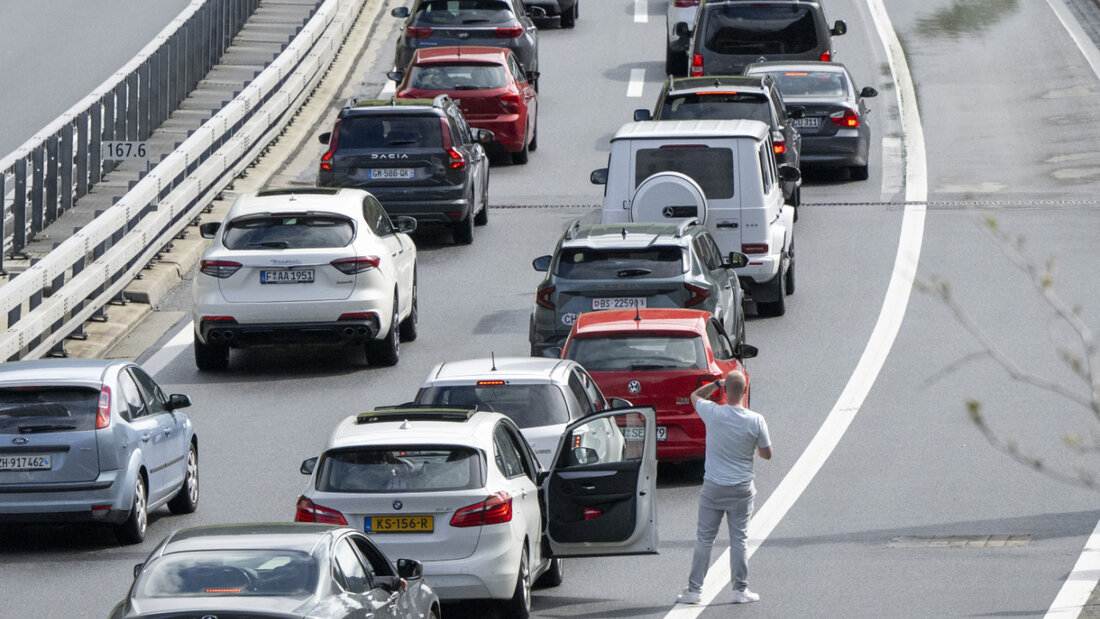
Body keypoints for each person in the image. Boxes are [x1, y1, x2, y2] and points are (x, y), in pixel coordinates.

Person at [676, 370, 771, 605]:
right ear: (745, 391)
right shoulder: (756, 420)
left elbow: (695, 396)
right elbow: (767, 454)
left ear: (726, 391)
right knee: (739, 540)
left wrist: (716, 384)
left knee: (704, 539)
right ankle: (740, 590)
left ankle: (694, 590)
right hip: (741, 489)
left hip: (714, 488)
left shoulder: (713, 413)